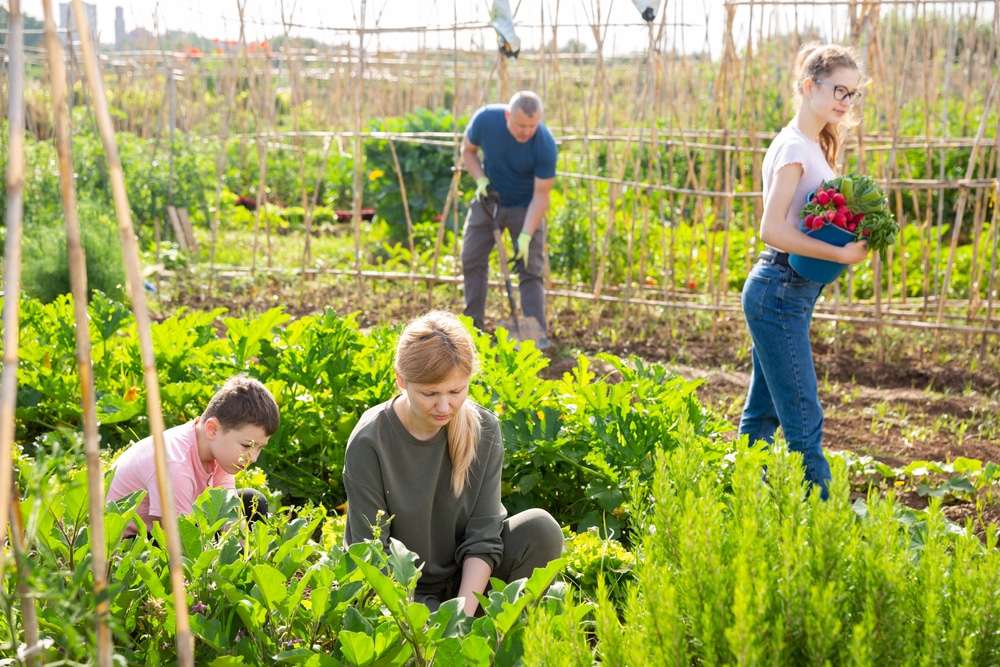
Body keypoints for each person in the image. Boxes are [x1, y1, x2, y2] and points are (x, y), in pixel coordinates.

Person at [343, 310, 563, 616]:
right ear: (401, 379)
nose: (444, 406)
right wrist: (425, 621)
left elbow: (483, 537)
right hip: (402, 592)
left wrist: (460, 617)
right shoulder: (371, 441)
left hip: (467, 585)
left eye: (456, 391)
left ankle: (488, 637)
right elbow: (371, 557)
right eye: (430, 393)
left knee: (541, 530)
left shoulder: (483, 429)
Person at [738, 44, 870, 499]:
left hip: (785, 293)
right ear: (809, 86)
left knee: (765, 414)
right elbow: (771, 229)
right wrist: (842, 254)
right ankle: (824, 525)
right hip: (778, 291)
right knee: (802, 418)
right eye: (838, 90)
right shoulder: (795, 147)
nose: (846, 102)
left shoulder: (811, 143)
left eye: (852, 94)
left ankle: (744, 505)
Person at [106, 375, 279, 537]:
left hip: (166, 524)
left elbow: (230, 516)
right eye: (247, 445)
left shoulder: (217, 450)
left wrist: (245, 555)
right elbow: (180, 539)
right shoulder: (174, 463)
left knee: (252, 501)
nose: (253, 457)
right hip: (127, 543)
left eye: (260, 447)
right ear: (213, 429)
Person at [460, 90, 558, 349]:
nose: (527, 132)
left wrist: (526, 236)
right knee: (471, 259)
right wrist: (480, 179)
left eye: (532, 126)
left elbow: (541, 195)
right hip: (489, 198)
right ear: (507, 116)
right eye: (521, 125)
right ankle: (472, 329)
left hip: (525, 206)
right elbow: (468, 150)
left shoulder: (545, 145)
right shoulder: (486, 120)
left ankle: (535, 338)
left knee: (530, 269)